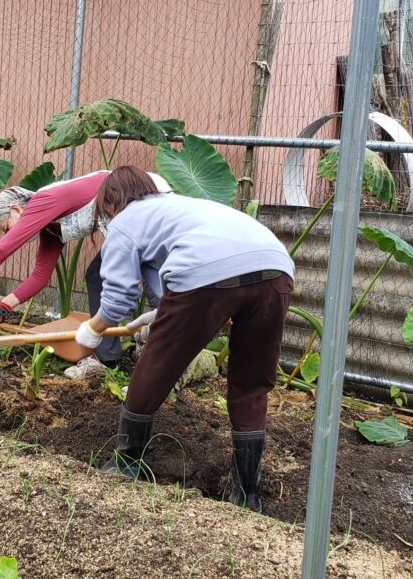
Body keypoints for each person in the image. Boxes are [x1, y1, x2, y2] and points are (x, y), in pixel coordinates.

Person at [74, 166, 294, 512]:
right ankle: (246, 493)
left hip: (206, 273)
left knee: (154, 365)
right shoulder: (182, 209)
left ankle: (128, 464)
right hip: (275, 266)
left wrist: (93, 329)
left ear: (111, 202)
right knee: (251, 382)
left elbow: (118, 299)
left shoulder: (125, 222)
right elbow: (170, 293)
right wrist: (160, 318)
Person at [0, 169, 170, 379]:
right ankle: (108, 360)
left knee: (145, 272)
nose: (10, 233)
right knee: (96, 276)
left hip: (140, 194)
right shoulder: (50, 228)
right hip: (124, 210)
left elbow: (6, 246)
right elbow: (40, 276)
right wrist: (5, 305)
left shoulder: (43, 200)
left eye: (7, 227)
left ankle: (171, 348)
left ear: (16, 209)